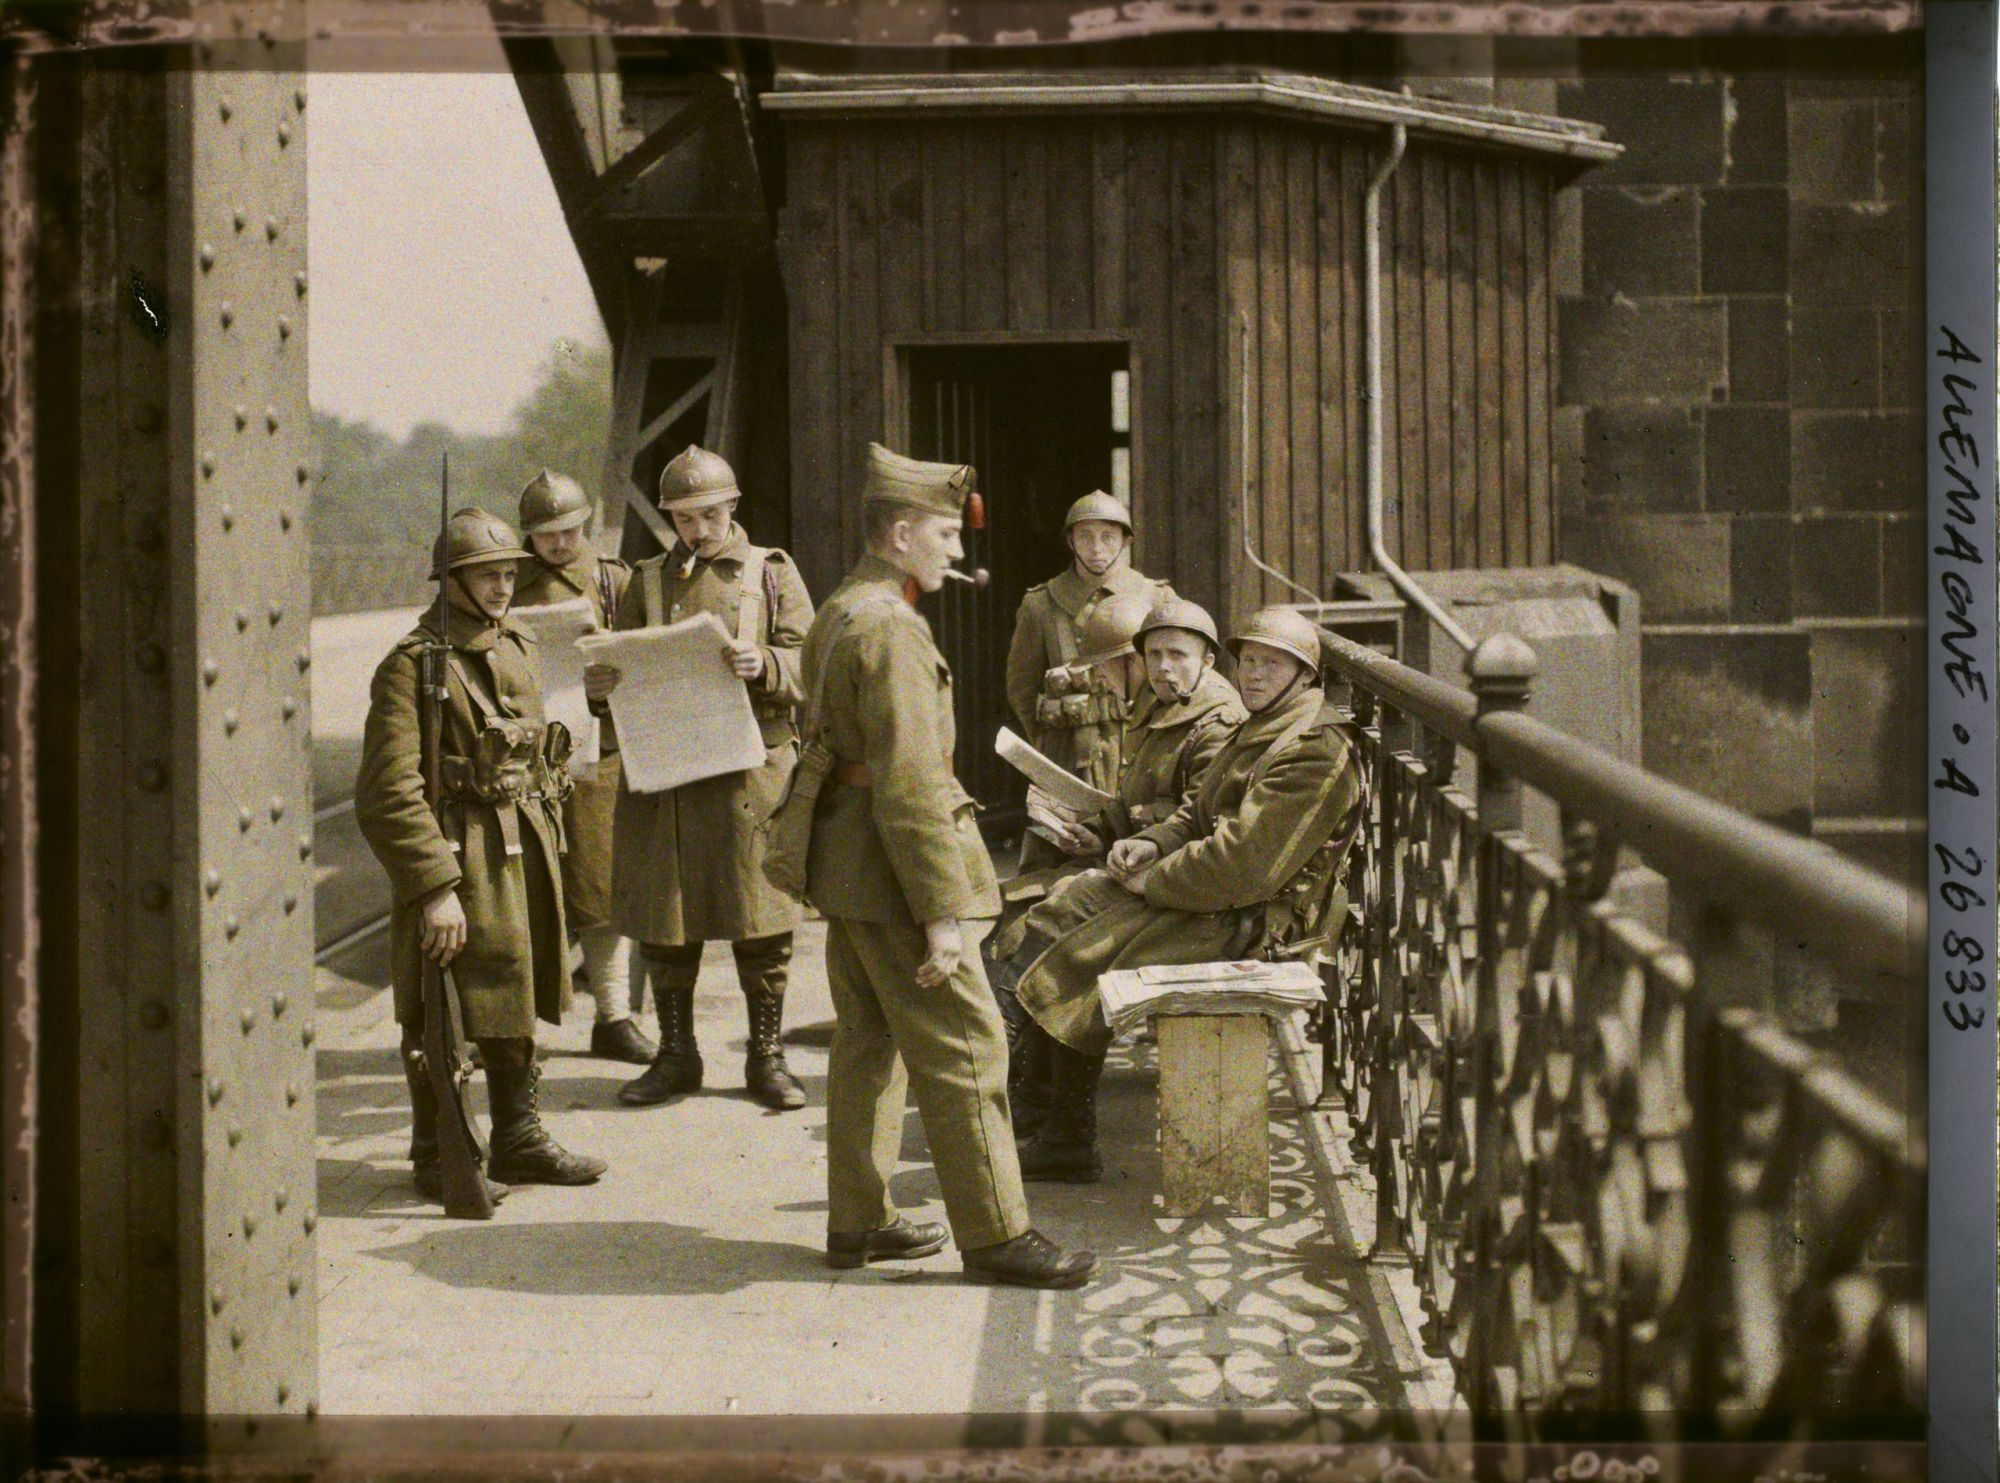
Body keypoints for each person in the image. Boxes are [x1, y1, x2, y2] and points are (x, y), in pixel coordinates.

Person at [786, 441, 1096, 1288]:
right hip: (898, 874)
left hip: (850, 864)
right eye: (946, 535)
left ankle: (858, 1219)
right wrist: (941, 915)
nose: (958, 551)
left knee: (867, 1044)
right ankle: (996, 1235)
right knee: (968, 1046)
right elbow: (912, 783)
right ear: (899, 535)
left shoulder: (841, 608)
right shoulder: (891, 628)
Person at [988, 607, 1363, 1185]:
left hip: (1258, 922)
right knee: (1068, 907)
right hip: (1214, 897)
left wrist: (1153, 879)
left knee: (1086, 951)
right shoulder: (1260, 725)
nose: (1254, 674)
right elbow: (1196, 814)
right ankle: (1036, 1103)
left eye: (1272, 664)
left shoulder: (1314, 751)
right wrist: (1150, 843)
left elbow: (1246, 866)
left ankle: (1063, 1132)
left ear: (1305, 674)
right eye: (1250, 661)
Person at [356, 507, 609, 1201]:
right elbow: (387, 791)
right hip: (458, 850)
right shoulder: (413, 664)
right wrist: (433, 886)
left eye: (507, 573)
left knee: (515, 985)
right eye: (486, 575)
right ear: (451, 581)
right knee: (441, 1005)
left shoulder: (518, 641)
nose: (502, 587)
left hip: (521, 841)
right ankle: (437, 1153)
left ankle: (518, 1137)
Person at [586, 446, 815, 1112]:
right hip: (669, 771)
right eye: (683, 519)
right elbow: (622, 665)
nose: (697, 530)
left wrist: (765, 662)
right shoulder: (646, 580)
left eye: (710, 514)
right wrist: (602, 687)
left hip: (750, 771)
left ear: (733, 505)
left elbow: (813, 662)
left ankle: (766, 1055)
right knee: (666, 916)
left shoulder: (771, 572)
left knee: (760, 914)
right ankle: (676, 1053)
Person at [994, 595, 1246, 1142]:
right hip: (1149, 868)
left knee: (1069, 936)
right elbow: (1137, 794)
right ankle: (1032, 1095)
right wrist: (1100, 831)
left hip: (1185, 887)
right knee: (1032, 915)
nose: (1164, 667)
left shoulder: (1217, 722)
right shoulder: (1162, 705)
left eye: (1178, 655)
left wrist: (1133, 840)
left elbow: (1198, 818)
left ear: (1208, 660)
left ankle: (1039, 1101)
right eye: (1154, 655)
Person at [512, 469, 656, 1066]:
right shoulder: (506, 580)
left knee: (602, 886)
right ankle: (515, 1028)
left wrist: (613, 665)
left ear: (587, 524)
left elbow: (648, 662)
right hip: (523, 759)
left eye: (570, 531)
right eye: (546, 535)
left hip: (600, 753)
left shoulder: (614, 580)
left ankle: (613, 1016)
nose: (559, 544)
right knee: (522, 891)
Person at [1004, 491, 1172, 869]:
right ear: (1070, 541)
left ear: (1126, 541)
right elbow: (1021, 686)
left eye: (1108, 537)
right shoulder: (1041, 603)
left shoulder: (1156, 597)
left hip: (1137, 747)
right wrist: (1052, 738)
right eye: (1085, 536)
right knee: (1056, 855)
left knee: (1139, 850)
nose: (1096, 548)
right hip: (1067, 753)